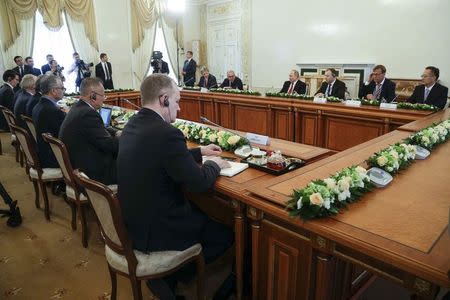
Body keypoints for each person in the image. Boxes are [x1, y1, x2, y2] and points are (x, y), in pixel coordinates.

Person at [117, 74, 234, 299]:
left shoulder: (134, 124)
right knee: (226, 232)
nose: (179, 108)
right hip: (160, 228)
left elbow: (159, 157)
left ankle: (171, 277)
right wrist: (214, 164)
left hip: (134, 222)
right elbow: (199, 183)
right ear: (164, 100)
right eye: (177, 101)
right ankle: (176, 273)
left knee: (201, 213)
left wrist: (199, 152)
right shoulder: (167, 133)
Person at [59, 77, 120, 185]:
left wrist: (115, 133)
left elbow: (98, 130)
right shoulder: (88, 114)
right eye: (103, 95)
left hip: (80, 163)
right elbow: (110, 146)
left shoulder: (78, 108)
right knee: (133, 162)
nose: (104, 98)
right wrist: (127, 138)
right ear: (93, 96)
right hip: (91, 173)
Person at [32, 75, 66, 168]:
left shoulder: (39, 105)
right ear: (53, 91)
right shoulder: (52, 111)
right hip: (53, 157)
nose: (64, 90)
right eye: (62, 88)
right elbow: (64, 136)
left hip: (44, 152)